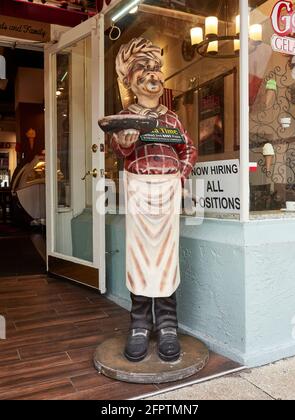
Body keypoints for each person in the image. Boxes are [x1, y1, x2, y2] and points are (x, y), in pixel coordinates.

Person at [111, 38, 197, 363]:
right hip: (138, 187)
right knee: (139, 254)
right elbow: (120, 150)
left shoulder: (173, 119)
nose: (153, 76)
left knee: (166, 254)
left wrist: (181, 175)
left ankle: (168, 324)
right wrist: (126, 142)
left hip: (168, 189)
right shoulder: (125, 116)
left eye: (156, 69)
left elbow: (188, 149)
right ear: (130, 80)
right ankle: (139, 324)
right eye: (143, 70)